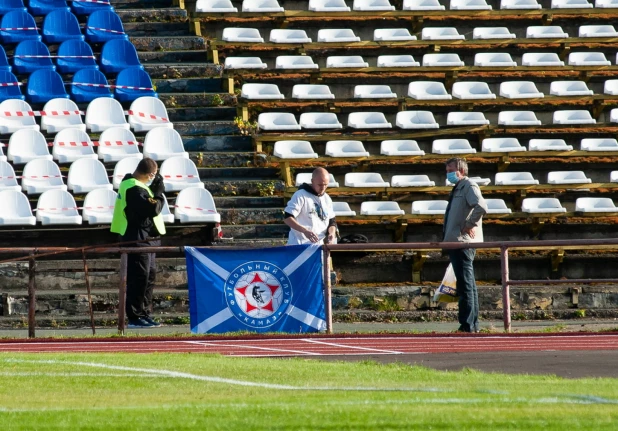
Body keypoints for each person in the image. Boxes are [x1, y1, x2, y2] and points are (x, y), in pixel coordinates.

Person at [111, 157, 166, 329]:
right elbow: (153, 208)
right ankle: (135, 316)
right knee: (139, 278)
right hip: (136, 239)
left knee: (148, 277)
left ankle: (144, 313)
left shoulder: (137, 186)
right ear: (151, 174)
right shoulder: (133, 188)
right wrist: (159, 193)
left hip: (147, 239)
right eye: (154, 176)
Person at [443, 158, 488, 333]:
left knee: (466, 284)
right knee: (466, 284)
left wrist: (469, 225)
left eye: (451, 170)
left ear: (461, 170)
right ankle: (471, 324)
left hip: (463, 242)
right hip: (457, 242)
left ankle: (468, 325)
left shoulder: (469, 185)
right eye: (446, 170)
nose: (448, 173)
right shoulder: (459, 187)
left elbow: (481, 206)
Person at [284, 167, 337, 245]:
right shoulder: (300, 195)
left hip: (319, 246)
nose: (323, 188)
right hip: (299, 244)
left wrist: (332, 233)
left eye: (325, 185)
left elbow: (332, 222)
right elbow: (287, 218)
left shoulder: (327, 198)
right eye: (320, 185)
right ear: (312, 181)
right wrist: (304, 231)